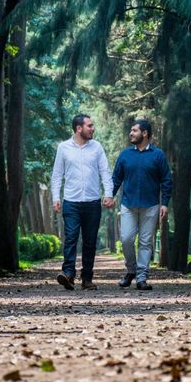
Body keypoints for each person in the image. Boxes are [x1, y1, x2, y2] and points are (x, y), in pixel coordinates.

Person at [51, 114, 114, 290]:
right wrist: (56, 198)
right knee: (71, 238)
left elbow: (105, 172)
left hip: (93, 202)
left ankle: (87, 278)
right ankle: (68, 274)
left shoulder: (97, 147)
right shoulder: (63, 148)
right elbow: (57, 175)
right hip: (71, 201)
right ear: (79, 128)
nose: (92, 129)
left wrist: (108, 194)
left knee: (89, 241)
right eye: (89, 126)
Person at [112, 119, 172, 290]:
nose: (131, 133)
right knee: (126, 239)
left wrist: (165, 203)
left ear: (144, 133)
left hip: (151, 205)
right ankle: (131, 270)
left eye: (134, 130)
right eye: (131, 131)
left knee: (145, 242)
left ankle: (141, 277)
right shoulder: (125, 155)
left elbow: (166, 180)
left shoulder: (158, 155)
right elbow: (116, 178)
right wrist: (110, 195)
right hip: (128, 204)